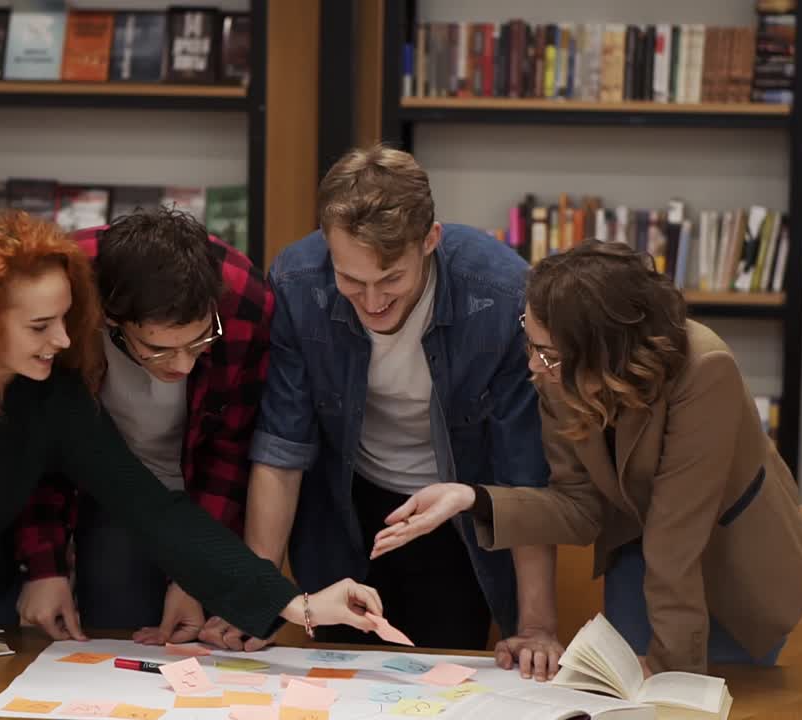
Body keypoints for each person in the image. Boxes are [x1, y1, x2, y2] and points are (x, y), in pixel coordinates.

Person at [0, 211, 382, 673]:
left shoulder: (50, 396)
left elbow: (152, 510)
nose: (65, 341)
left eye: (65, 319)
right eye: (40, 326)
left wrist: (298, 606)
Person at [371, 240, 802, 675]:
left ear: (607, 353)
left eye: (548, 355)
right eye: (531, 341)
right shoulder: (556, 368)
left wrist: (670, 673)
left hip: (729, 565)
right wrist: (470, 498)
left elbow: (677, 538)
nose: (534, 367)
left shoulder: (705, 369)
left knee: (707, 699)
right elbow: (579, 507)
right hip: (640, 545)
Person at [234, 144, 563, 680]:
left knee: (437, 681)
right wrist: (254, 596)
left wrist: (537, 625)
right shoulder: (298, 281)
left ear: (431, 240)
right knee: (340, 677)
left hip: (453, 512)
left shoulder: (501, 295)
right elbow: (280, 450)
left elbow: (522, 471)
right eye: (351, 280)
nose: (371, 301)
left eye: (391, 279)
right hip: (341, 503)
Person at [14, 207, 274, 649]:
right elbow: (39, 443)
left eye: (200, 342)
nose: (184, 364)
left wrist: (194, 575)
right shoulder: (62, 291)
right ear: (110, 319)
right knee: (115, 630)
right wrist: (46, 565)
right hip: (108, 483)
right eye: (158, 349)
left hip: (200, 492)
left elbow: (229, 451)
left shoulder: (246, 300)